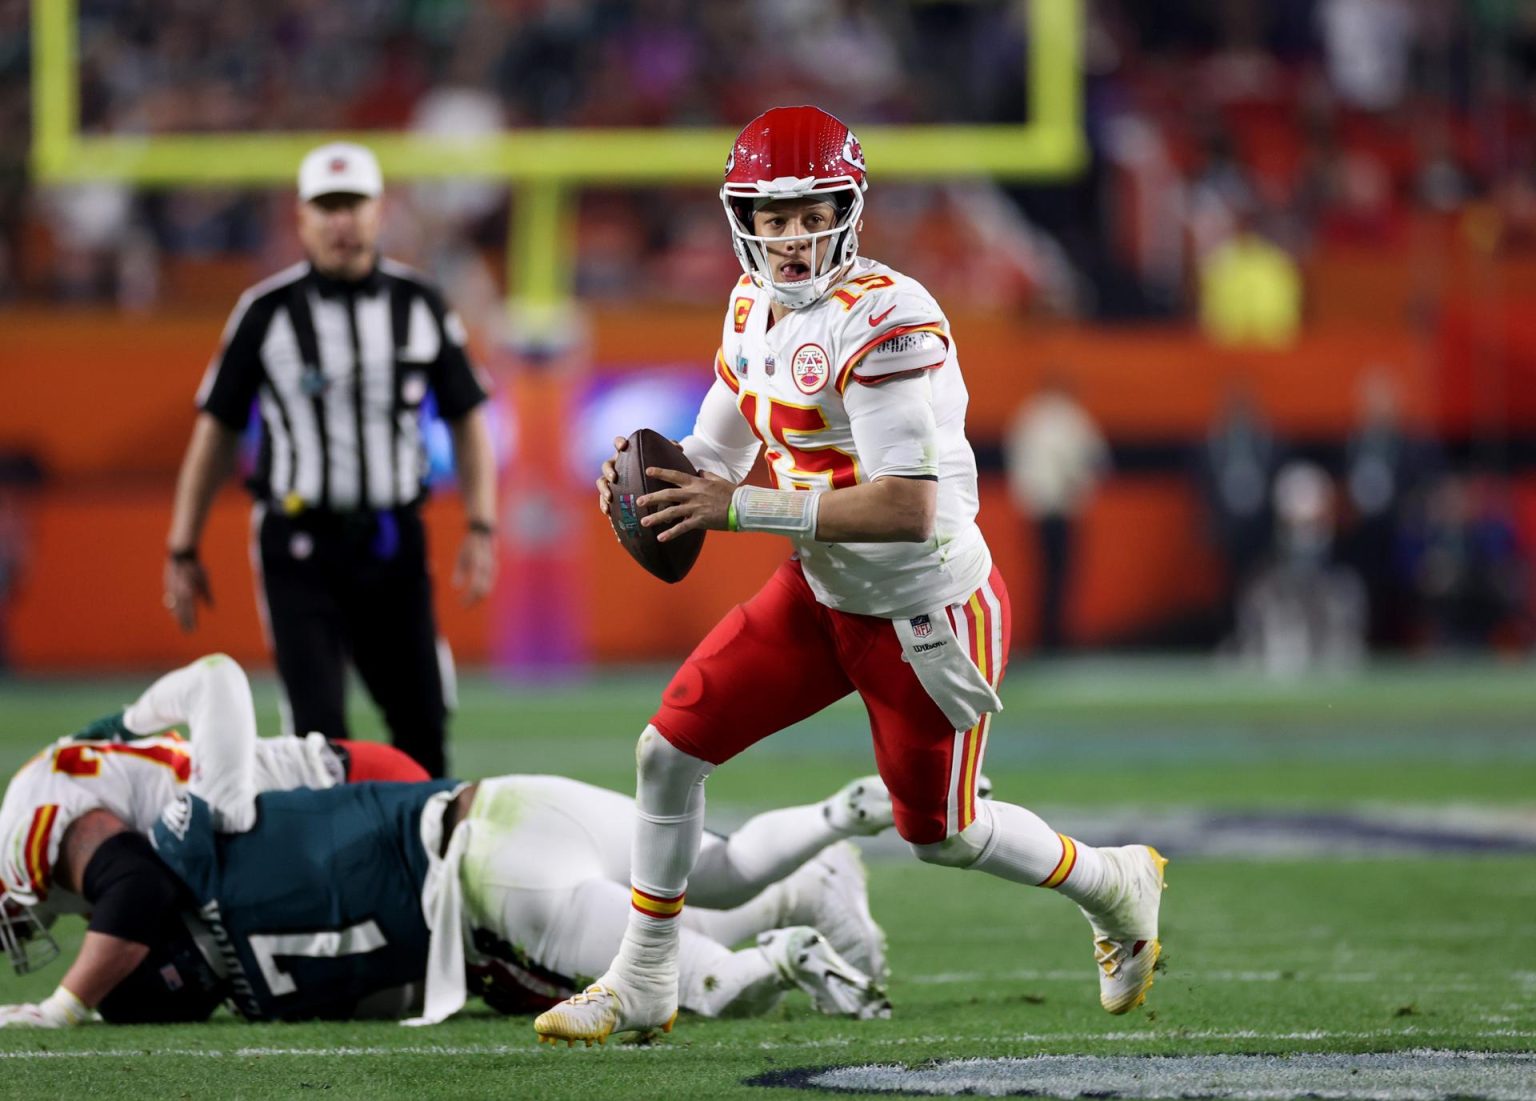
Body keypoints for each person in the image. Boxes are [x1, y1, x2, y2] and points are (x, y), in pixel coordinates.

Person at [535, 106, 1168, 1047]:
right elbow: (717, 451)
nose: (789, 237)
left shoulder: (890, 317)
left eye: (809, 212)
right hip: (820, 590)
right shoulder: (750, 306)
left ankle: (1114, 882)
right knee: (665, 752)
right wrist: (653, 487)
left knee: (940, 833)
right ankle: (645, 974)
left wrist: (734, 509)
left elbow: (904, 506)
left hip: (925, 613)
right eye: (770, 215)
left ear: (849, 208)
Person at [0, 659, 893, 1028]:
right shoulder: (115, 773)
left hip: (454, 843)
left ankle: (779, 951)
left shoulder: (146, 837)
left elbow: (134, 887)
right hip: (496, 805)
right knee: (716, 872)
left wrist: (62, 1008)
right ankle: (830, 830)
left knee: (666, 985)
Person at [161, 141, 498, 778]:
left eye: (353, 205)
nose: (341, 221)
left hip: (394, 539)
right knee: (318, 736)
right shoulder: (265, 312)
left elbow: (468, 417)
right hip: (299, 545)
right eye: (327, 206)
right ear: (302, 218)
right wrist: (183, 546)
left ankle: (424, 869)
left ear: (378, 212)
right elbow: (217, 431)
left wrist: (482, 526)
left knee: (423, 723)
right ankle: (338, 872)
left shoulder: (421, 304)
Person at [1003, 376, 1110, 653]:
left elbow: (1018, 463)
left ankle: (1050, 636)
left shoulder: (1032, 416)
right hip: (1059, 508)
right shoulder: (1065, 418)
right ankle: (1054, 637)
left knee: (1051, 575)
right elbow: (1094, 459)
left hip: (1042, 508)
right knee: (1058, 575)